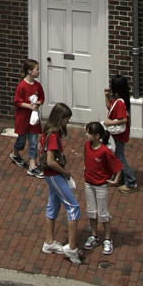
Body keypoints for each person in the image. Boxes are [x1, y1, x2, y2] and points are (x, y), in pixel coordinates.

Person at [40, 102, 83, 265]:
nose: (67, 123)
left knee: (53, 206)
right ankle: (71, 247)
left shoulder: (47, 132)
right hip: (54, 175)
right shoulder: (53, 136)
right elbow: (51, 161)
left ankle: (49, 243)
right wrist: (65, 172)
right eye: (66, 119)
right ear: (60, 119)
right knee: (73, 207)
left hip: (50, 176)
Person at [83, 120, 123, 255]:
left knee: (103, 214)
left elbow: (117, 166)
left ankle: (107, 239)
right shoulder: (87, 146)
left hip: (101, 186)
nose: (86, 135)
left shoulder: (105, 151)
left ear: (97, 136)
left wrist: (115, 181)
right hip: (89, 184)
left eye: (89, 133)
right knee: (91, 212)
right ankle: (94, 236)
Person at [103, 74, 138, 192]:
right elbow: (110, 108)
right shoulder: (117, 99)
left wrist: (110, 123)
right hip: (117, 134)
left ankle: (131, 182)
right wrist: (106, 96)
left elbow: (123, 119)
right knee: (117, 156)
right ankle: (121, 178)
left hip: (120, 134)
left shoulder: (120, 102)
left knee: (119, 157)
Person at [10, 58, 45, 175]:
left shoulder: (38, 86)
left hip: (33, 120)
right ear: (30, 71)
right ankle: (15, 154)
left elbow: (42, 98)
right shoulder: (22, 86)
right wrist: (29, 106)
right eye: (37, 69)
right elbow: (17, 102)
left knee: (34, 141)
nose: (39, 71)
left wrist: (38, 103)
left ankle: (32, 165)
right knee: (21, 139)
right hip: (23, 119)